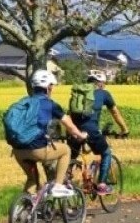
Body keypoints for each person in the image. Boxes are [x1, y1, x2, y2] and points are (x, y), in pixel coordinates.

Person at [12, 70, 87, 198]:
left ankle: (25, 209)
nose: (52, 88)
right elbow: (68, 123)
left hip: (18, 150)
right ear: (48, 87)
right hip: (37, 150)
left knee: (33, 180)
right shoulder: (50, 104)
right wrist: (80, 135)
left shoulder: (24, 102)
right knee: (66, 150)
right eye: (52, 86)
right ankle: (58, 186)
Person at [67, 73, 130, 195]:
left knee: (71, 158)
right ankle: (102, 185)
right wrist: (124, 129)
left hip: (73, 129)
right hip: (90, 130)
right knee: (106, 153)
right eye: (104, 83)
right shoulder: (104, 93)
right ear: (100, 83)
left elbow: (70, 113)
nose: (104, 86)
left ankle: (65, 181)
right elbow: (115, 113)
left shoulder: (78, 93)